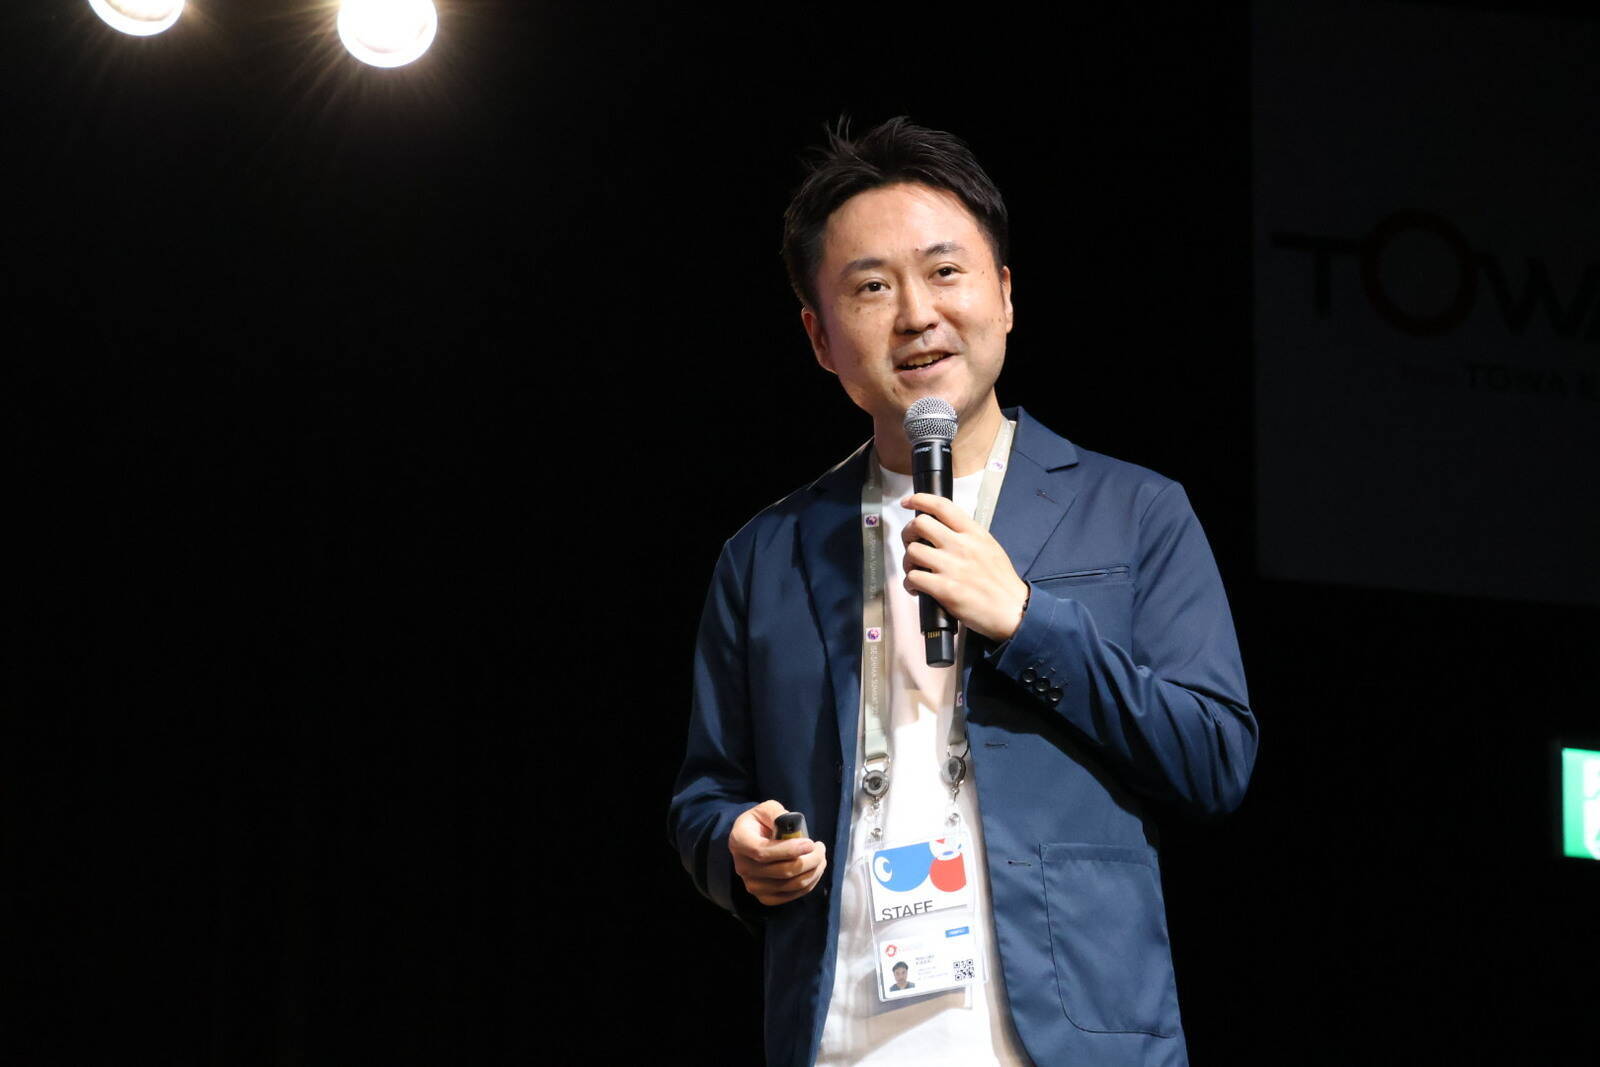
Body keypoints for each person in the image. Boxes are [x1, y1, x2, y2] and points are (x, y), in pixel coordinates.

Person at [668, 117, 1257, 1067]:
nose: (916, 314)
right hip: (844, 1035)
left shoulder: (1135, 510)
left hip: (1074, 1039)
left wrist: (1027, 620)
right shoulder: (763, 554)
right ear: (819, 337)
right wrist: (736, 845)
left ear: (1006, 295)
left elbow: (1216, 757)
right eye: (871, 287)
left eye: (945, 271)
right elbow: (707, 793)